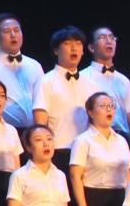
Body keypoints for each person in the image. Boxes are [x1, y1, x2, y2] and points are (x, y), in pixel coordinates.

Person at [32, 25, 94, 175]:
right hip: (58, 151)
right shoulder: (46, 81)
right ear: (56, 50)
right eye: (67, 43)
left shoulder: (91, 84)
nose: (74, 48)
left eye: (78, 44)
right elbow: (40, 123)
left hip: (87, 152)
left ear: (83, 50)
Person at [0, 14, 42, 131]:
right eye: (7, 31)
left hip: (34, 132)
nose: (13, 35)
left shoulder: (35, 65)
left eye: (17, 30)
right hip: (2, 131)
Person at [83, 26, 130, 138]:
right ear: (91, 48)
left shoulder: (123, 80)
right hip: (95, 136)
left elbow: (129, 119)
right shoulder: (83, 77)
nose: (109, 41)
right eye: (102, 38)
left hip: (121, 138)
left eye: (112, 38)